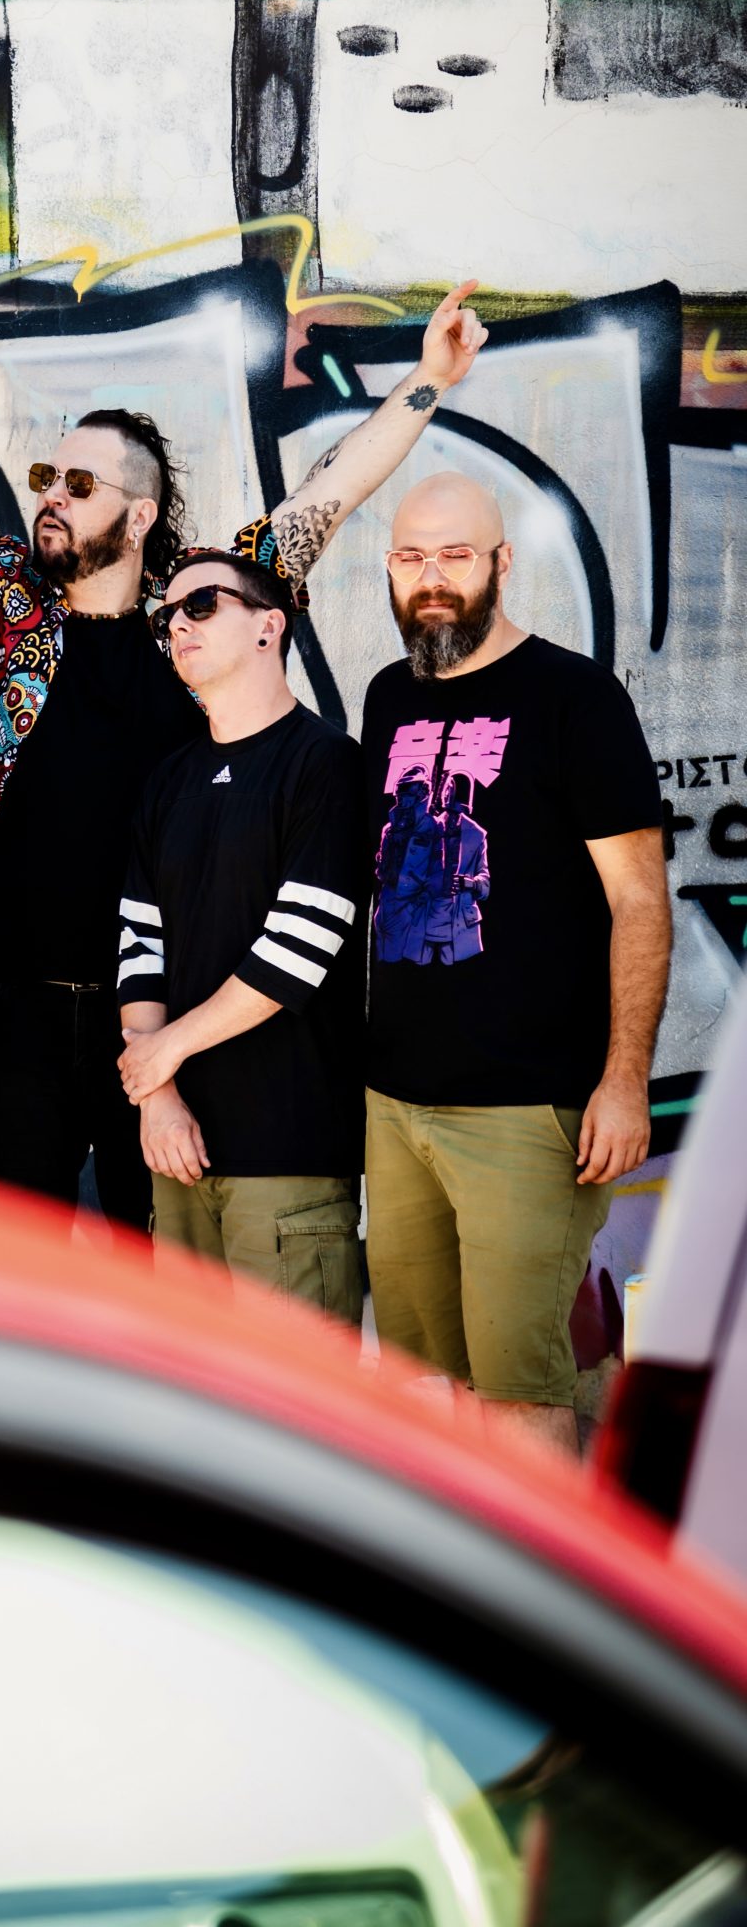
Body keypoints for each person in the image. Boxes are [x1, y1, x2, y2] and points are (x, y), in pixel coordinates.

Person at [0, 269, 486, 1228]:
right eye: (47, 479)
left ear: (141, 513)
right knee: (20, 1275)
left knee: (148, 1263)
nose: (53, 497)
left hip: (159, 1017)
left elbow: (326, 495)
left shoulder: (201, 611)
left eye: (80, 486)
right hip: (15, 1007)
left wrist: (429, 378)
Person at [361, 471, 671, 1454]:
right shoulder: (386, 697)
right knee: (428, 1382)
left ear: (502, 562)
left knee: (521, 1392)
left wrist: (624, 1080)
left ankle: (541, 1557)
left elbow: (639, 900)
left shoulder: (577, 698)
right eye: (412, 557)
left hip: (528, 1112)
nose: (432, 578)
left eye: (456, 555)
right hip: (395, 1105)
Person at [117, 550, 365, 1317]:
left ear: (268, 627)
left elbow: (300, 948)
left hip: (286, 1157)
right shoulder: (167, 781)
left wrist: (163, 1053)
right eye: (166, 616)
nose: (176, 626)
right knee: (184, 1388)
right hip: (177, 1153)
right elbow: (139, 948)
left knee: (293, 1388)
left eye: (201, 605)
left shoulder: (327, 765)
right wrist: (157, 1096)